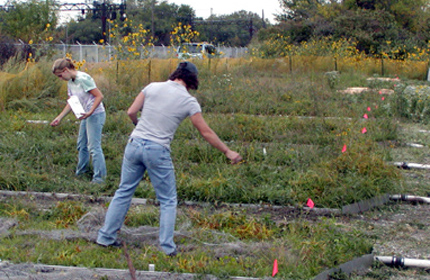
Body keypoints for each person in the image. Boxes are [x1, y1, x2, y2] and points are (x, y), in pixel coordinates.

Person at [96, 61, 242, 256]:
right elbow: (205, 132)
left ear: (175, 74)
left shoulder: (152, 87)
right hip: (158, 150)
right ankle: (167, 248)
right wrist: (227, 151)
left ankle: (105, 238)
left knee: (123, 192)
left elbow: (131, 111)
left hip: (134, 143)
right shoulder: (189, 101)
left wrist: (137, 124)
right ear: (192, 81)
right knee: (167, 200)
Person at [50, 58, 107, 183]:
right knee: (82, 145)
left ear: (66, 70)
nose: (60, 78)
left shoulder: (83, 79)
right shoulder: (70, 82)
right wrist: (59, 117)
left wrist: (90, 112)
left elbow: (99, 96)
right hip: (85, 115)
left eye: (60, 75)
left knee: (94, 146)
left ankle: (100, 178)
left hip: (95, 114)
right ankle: (81, 172)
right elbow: (72, 101)